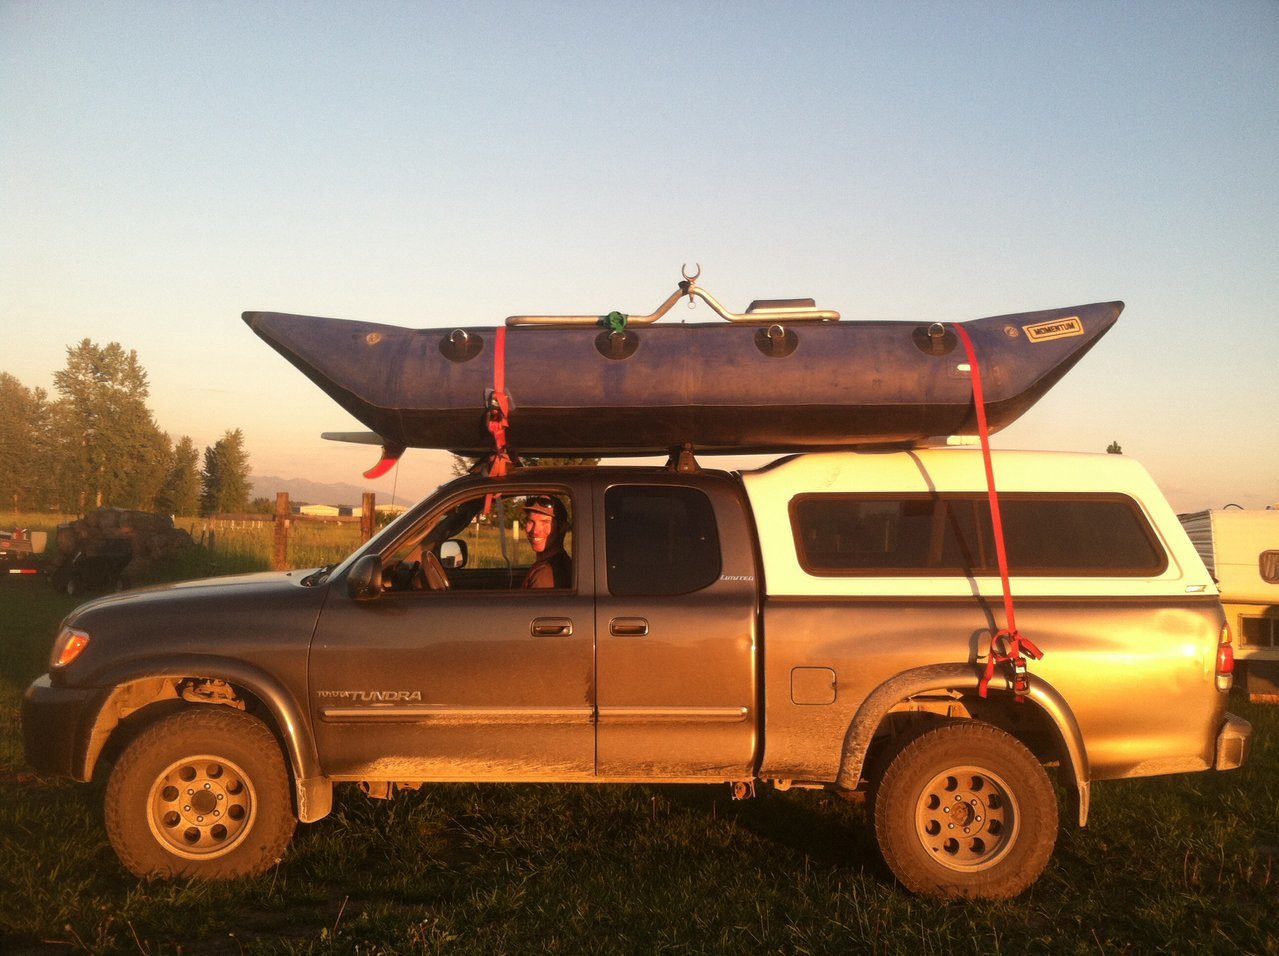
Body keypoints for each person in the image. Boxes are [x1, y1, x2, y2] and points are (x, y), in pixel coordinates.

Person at [521, 495, 572, 588]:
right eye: (530, 521)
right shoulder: (559, 562)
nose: (535, 530)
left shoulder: (544, 574)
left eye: (545, 523)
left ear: (562, 527)